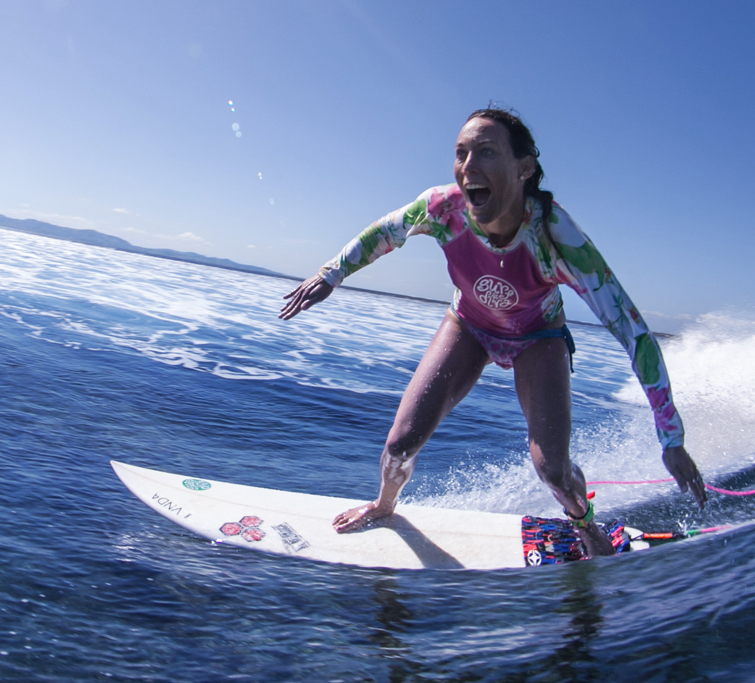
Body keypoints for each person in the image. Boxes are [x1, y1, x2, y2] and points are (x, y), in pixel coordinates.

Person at [279, 108, 705, 558]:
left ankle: (583, 522)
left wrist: (671, 439)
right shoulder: (443, 209)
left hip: (537, 337)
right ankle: (384, 505)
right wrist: (332, 274)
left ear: (525, 168)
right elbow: (385, 232)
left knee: (554, 471)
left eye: (486, 152)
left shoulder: (556, 239)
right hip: (469, 325)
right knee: (399, 445)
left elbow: (634, 332)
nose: (468, 166)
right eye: (461, 153)